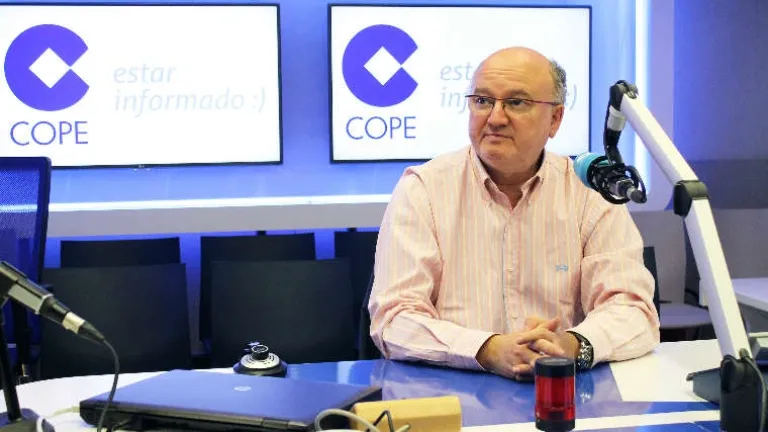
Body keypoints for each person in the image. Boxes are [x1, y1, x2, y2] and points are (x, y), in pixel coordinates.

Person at [367, 46, 660, 380]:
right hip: (453, 393)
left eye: (516, 103)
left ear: (555, 119)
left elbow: (632, 309)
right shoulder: (424, 189)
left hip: (563, 389)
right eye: (482, 101)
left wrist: (570, 345)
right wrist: (487, 350)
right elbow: (394, 319)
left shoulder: (589, 191)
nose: (495, 118)